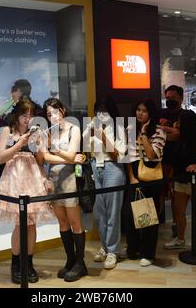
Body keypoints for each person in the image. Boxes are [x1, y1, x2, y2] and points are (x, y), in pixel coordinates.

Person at [0, 100, 54, 285]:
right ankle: (16, 264)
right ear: (17, 115)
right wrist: (20, 143)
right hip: (14, 178)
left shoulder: (36, 133)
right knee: (19, 224)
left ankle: (28, 264)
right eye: (24, 115)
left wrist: (39, 145)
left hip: (33, 178)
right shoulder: (7, 131)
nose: (27, 119)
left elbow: (40, 160)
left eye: (30, 115)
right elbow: (0, 157)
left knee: (31, 224)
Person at [78, 97, 126, 270]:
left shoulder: (119, 127)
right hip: (94, 168)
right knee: (99, 212)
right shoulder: (92, 123)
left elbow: (119, 156)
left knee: (113, 212)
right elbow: (83, 147)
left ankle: (113, 250)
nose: (101, 114)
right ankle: (105, 247)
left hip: (113, 168)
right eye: (98, 110)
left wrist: (103, 137)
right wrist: (89, 133)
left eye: (105, 110)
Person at [41, 98, 86, 282]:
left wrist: (56, 151)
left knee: (75, 222)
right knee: (62, 222)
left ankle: (80, 263)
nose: (53, 116)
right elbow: (45, 158)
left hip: (70, 180)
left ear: (63, 110)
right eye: (49, 114)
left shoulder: (74, 129)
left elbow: (73, 153)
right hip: (54, 180)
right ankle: (70, 260)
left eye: (55, 111)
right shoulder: (48, 134)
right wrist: (66, 157)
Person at [164, 110, 196, 252]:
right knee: (178, 211)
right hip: (180, 179)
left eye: (180, 121)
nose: (178, 124)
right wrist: (171, 176)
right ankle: (180, 239)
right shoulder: (182, 137)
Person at [123, 99, 166, 267]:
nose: (140, 113)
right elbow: (127, 156)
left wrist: (144, 134)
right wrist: (132, 177)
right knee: (129, 215)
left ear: (151, 113)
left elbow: (152, 154)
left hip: (151, 177)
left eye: (144, 110)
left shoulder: (159, 131)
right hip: (134, 176)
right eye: (138, 109)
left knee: (148, 218)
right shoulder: (129, 129)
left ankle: (148, 253)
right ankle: (133, 249)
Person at [159, 85, 185, 237]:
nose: (169, 101)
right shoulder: (161, 113)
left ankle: (177, 229)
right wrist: (171, 133)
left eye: (173, 98)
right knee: (159, 195)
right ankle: (153, 228)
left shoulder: (185, 115)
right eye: (167, 98)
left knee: (177, 199)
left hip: (177, 163)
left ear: (180, 98)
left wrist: (166, 133)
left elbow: (180, 135)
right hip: (160, 162)